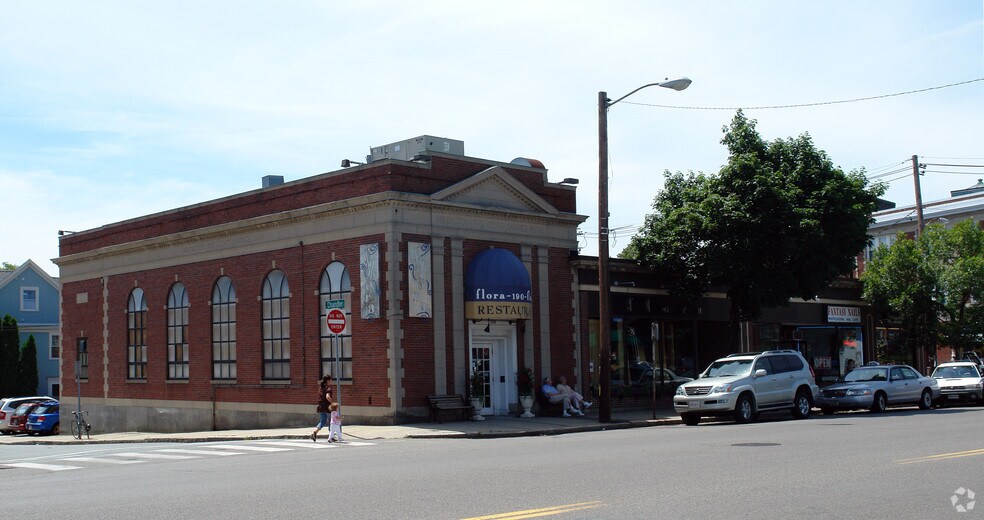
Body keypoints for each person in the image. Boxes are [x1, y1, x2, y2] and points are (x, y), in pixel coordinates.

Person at [311, 375, 334, 442]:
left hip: (321, 407)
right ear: (328, 380)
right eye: (331, 380)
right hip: (327, 407)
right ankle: (331, 436)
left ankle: (315, 432)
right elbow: (327, 397)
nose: (331, 381)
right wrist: (332, 403)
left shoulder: (321, 388)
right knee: (331, 421)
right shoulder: (328, 388)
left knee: (322, 421)